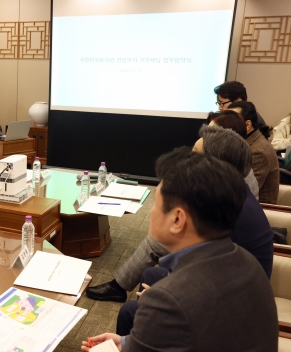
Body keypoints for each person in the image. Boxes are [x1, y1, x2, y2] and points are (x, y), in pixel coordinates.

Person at [51, 148, 278, 352]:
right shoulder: (245, 260)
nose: (150, 212)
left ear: (178, 220)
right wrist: (129, 343)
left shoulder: (170, 300)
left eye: (156, 203)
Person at [116, 127, 273, 336]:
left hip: (229, 312)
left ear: (212, 166)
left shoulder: (227, 212)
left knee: (129, 312)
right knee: (150, 274)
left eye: (195, 154)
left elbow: (211, 283)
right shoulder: (231, 194)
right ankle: (145, 331)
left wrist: (167, 299)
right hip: (225, 289)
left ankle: (145, 332)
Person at [229, 101, 279, 204]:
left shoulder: (257, 151)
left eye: (231, 121)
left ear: (247, 125)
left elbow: (244, 192)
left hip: (260, 209)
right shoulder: (247, 142)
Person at [205, 110, 258, 198]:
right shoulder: (237, 160)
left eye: (210, 134)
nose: (205, 138)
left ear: (229, 139)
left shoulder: (231, 175)